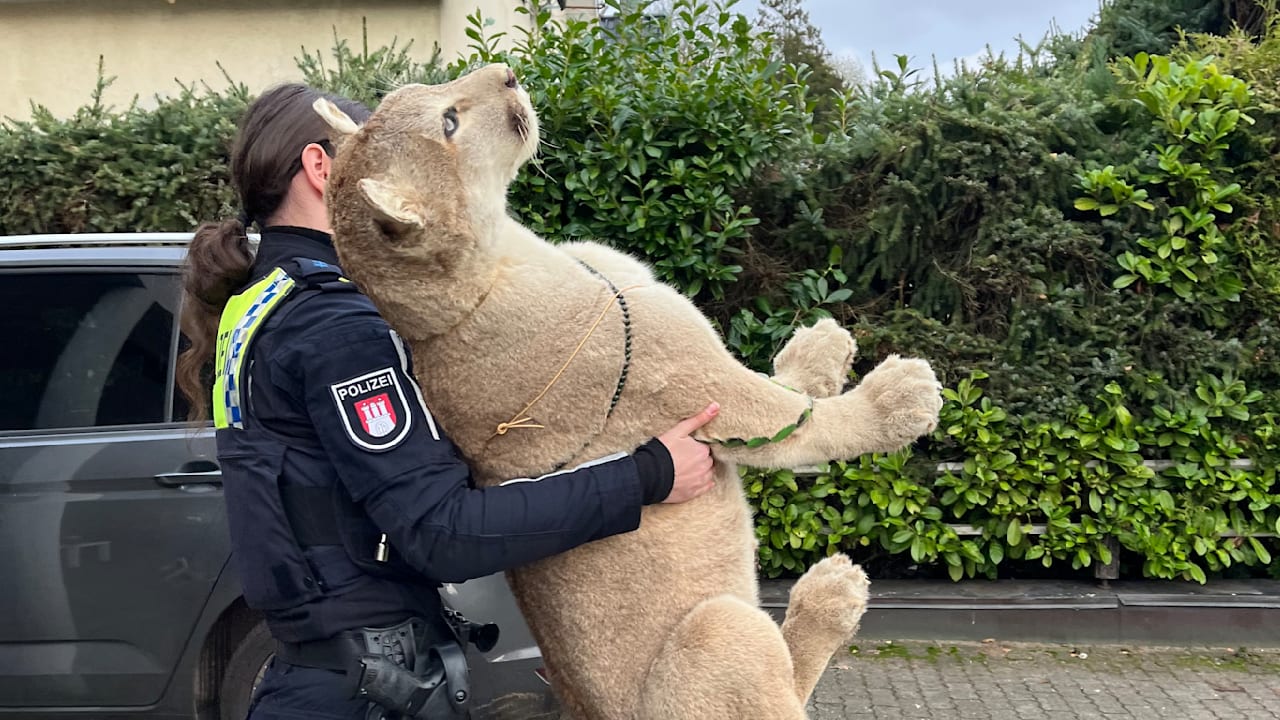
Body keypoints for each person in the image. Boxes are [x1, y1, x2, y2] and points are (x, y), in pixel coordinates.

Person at [177, 83, 719, 720]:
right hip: (370, 691)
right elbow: (444, 533)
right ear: (322, 168)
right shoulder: (335, 326)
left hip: (323, 672)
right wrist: (647, 475)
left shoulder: (257, 306)